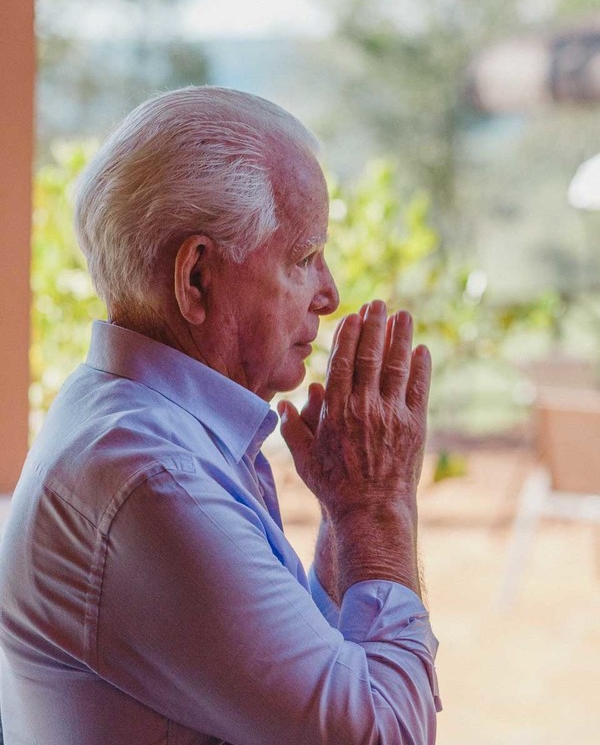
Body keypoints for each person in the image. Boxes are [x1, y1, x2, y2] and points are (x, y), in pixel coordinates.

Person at [0, 87, 441, 744]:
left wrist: (349, 518)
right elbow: (380, 734)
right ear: (197, 277)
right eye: (303, 258)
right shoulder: (153, 476)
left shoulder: (143, 424)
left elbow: (302, 676)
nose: (329, 293)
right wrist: (377, 507)